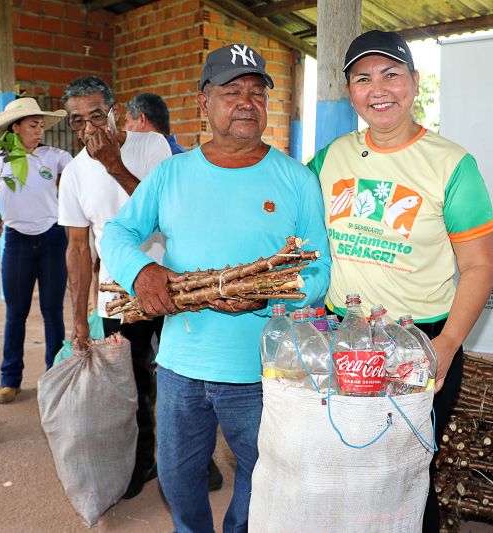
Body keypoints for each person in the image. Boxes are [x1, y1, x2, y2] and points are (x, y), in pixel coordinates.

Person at [101, 44, 331, 532]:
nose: (247, 102)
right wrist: (141, 273)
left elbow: (319, 273)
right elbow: (117, 233)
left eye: (256, 92)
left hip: (262, 370)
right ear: (204, 103)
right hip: (181, 366)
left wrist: (266, 295)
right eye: (232, 91)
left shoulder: (296, 180)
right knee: (178, 477)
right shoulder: (171, 173)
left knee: (261, 474)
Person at [306, 31, 493, 532]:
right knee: (341, 461)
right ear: (350, 92)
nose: (379, 88)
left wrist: (449, 343)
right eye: (363, 78)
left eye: (391, 74)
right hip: (341, 337)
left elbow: (478, 266)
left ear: (414, 82)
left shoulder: (452, 164)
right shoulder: (329, 159)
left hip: (419, 343)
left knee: (406, 473)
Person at [57, 75, 171, 499]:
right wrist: (79, 321)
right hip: (117, 295)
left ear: (115, 110)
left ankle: (195, 459)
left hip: (169, 284)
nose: (89, 129)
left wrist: (114, 165)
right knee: (134, 386)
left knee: (182, 379)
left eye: (97, 116)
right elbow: (77, 249)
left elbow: (162, 216)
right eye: (78, 121)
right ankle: (143, 462)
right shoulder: (72, 174)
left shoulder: (151, 147)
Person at [123, 92, 225, 491]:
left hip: (173, 291)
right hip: (156, 284)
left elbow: (152, 214)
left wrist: (113, 166)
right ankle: (194, 466)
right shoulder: (180, 157)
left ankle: (179, 464)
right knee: (157, 374)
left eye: (128, 124)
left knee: (161, 377)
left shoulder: (173, 164)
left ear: (142, 122)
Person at [0, 98, 72, 404]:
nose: (39, 131)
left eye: (41, 125)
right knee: (16, 312)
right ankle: (9, 378)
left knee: (52, 311)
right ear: (15, 127)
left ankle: (54, 375)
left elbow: (84, 177)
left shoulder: (56, 156)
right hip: (16, 241)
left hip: (53, 239)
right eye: (32, 125)